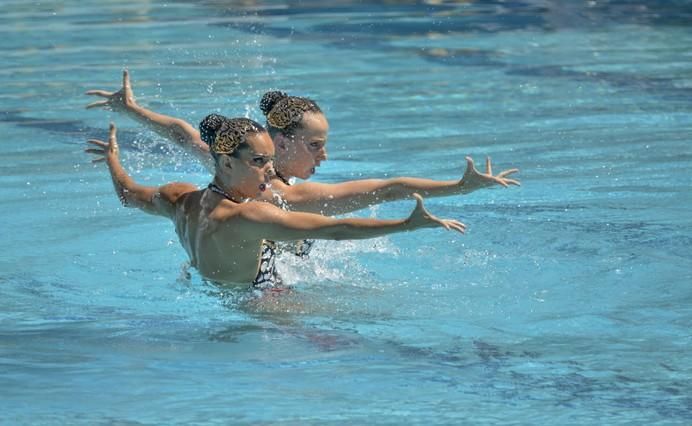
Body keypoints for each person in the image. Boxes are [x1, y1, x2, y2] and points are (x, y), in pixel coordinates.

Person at [86, 117, 466, 290]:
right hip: (264, 309)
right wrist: (405, 226)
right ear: (227, 163)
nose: (271, 172)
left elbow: (127, 194)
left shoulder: (179, 198)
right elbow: (335, 229)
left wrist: (112, 160)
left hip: (210, 288)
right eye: (259, 163)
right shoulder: (246, 214)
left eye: (270, 160)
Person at [85, 70, 520, 220]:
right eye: (315, 145)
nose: (324, 156)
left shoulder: (235, 168)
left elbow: (187, 136)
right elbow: (390, 188)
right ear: (280, 141)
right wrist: (458, 187)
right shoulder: (278, 190)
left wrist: (132, 112)